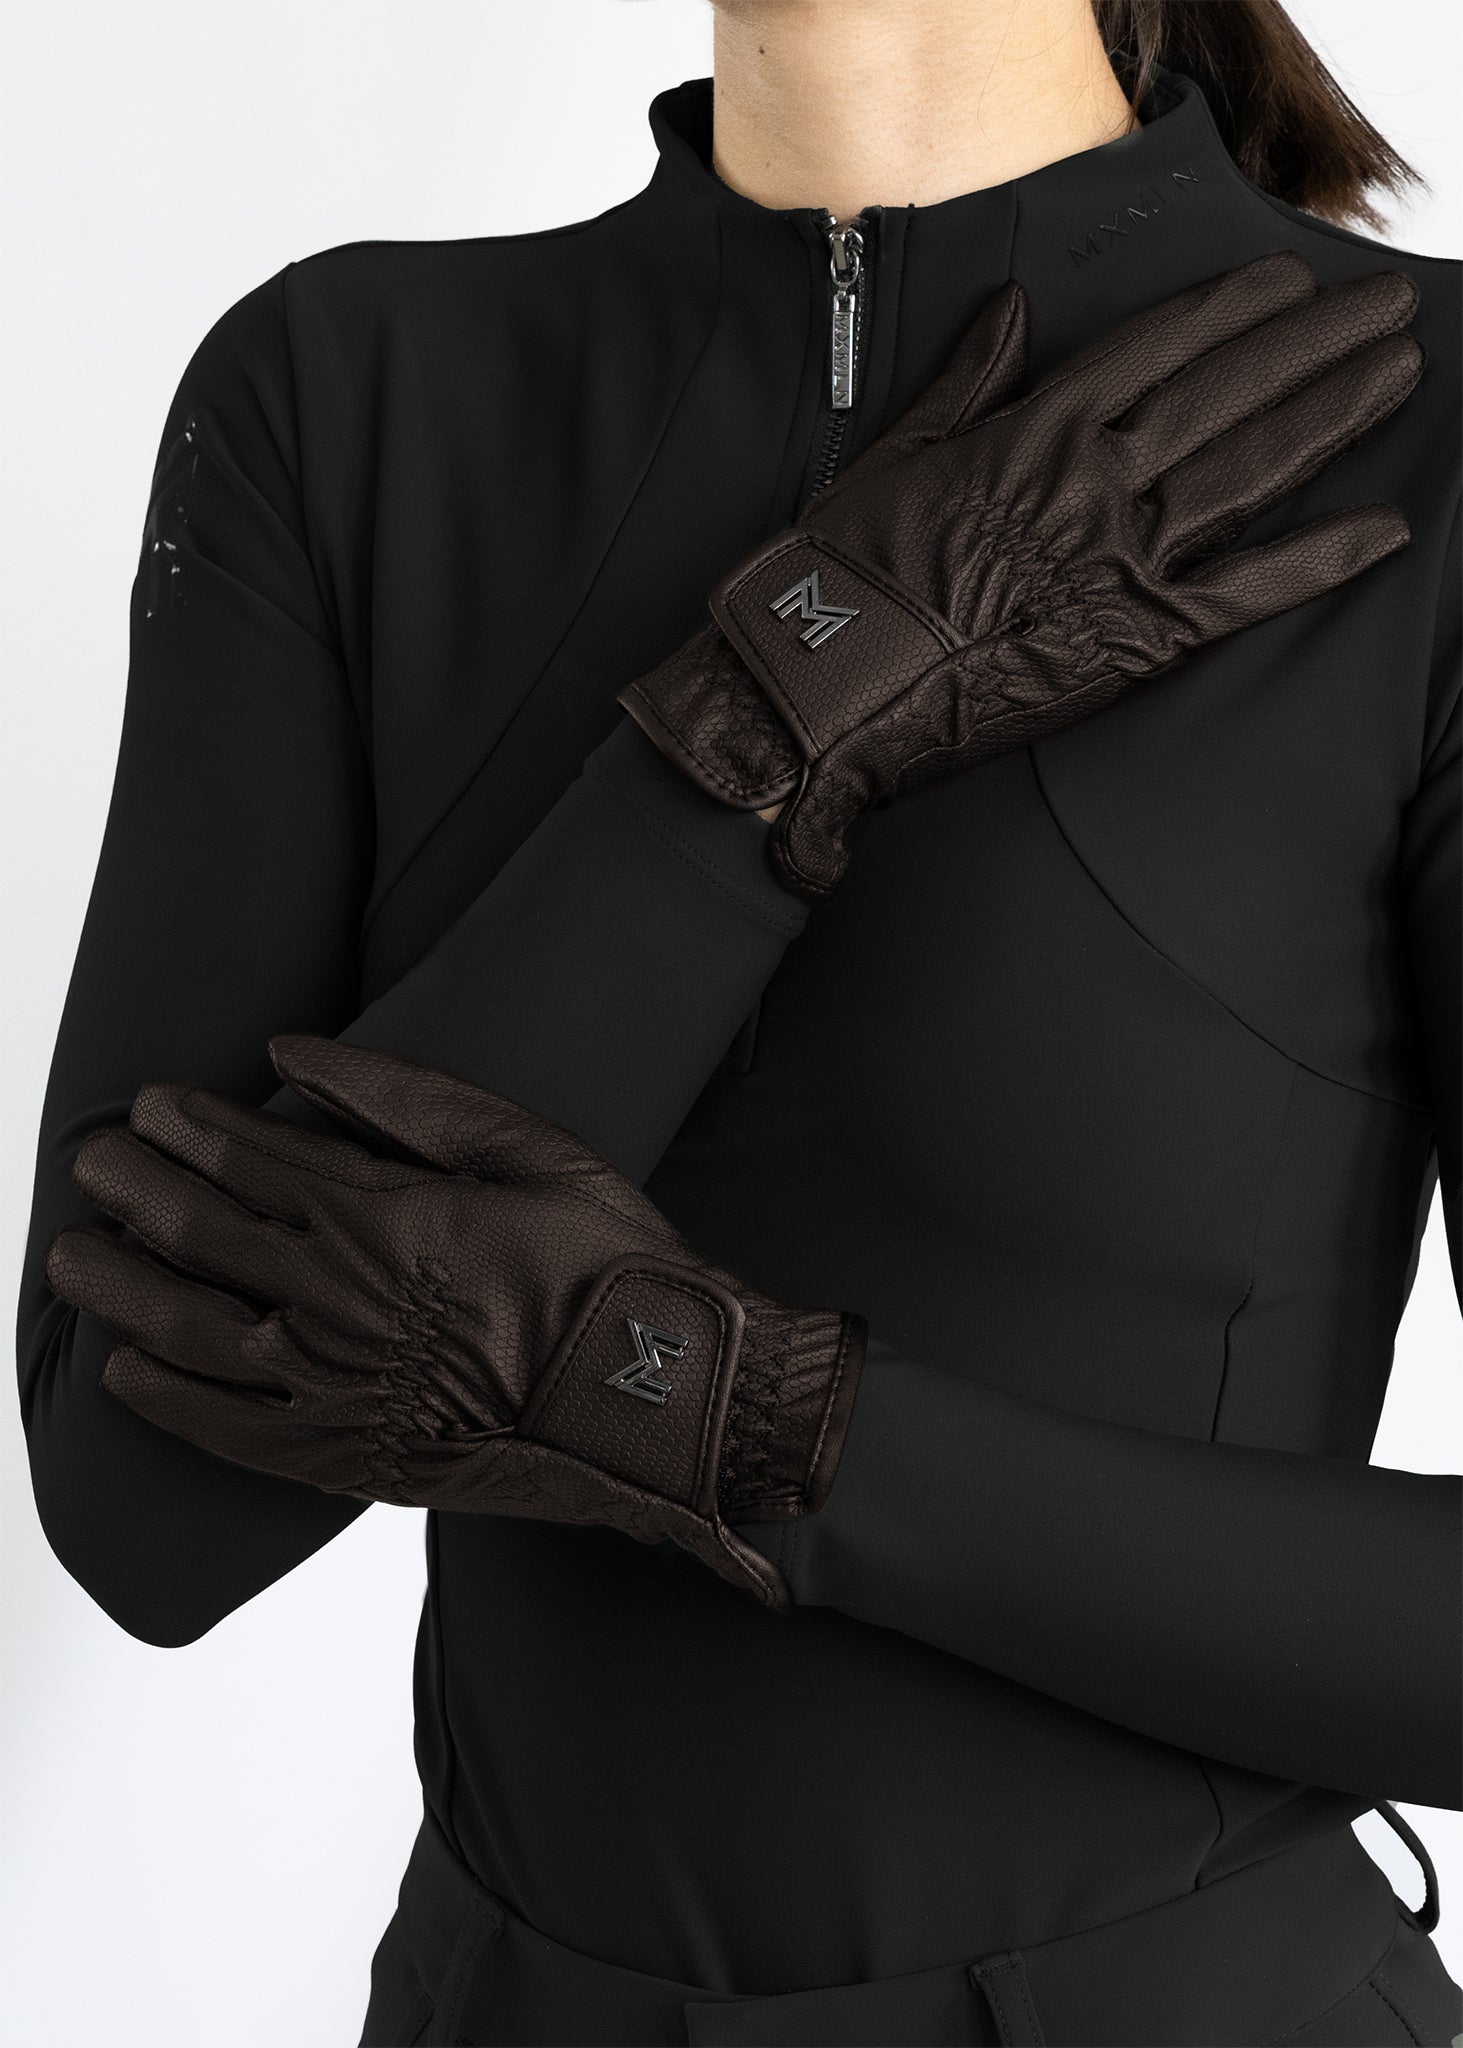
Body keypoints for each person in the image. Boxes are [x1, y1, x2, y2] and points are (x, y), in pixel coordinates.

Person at [18, 0, 1462, 2041]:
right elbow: (144, 1505)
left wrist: (730, 1417)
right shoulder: (345, 397)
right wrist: (775, 712)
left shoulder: (1416, 424)